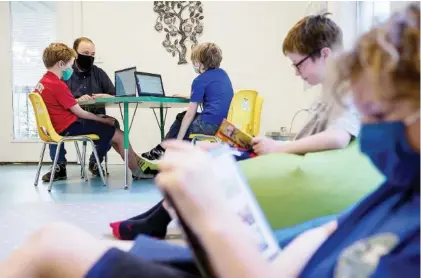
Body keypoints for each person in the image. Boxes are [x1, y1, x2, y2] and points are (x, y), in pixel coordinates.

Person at [0, 3, 419, 277]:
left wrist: (213, 218)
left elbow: (190, 112)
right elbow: (327, 232)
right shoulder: (398, 192)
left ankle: (155, 201)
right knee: (53, 239)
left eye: (380, 115)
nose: (371, 131)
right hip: (264, 262)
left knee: (51, 243)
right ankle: (156, 209)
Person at [110, 12, 360, 241]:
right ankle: (155, 218)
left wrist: (280, 147)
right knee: (208, 155)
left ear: (324, 53)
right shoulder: (329, 89)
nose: (296, 72)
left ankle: (155, 221)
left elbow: (338, 137)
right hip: (289, 157)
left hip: (293, 162)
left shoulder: (346, 89)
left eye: (298, 64)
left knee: (209, 160)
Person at [35, 42, 153, 181]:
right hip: (69, 126)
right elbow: (80, 113)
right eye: (69, 65)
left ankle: (102, 161)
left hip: (58, 126)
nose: (70, 69)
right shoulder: (58, 84)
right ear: (61, 64)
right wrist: (103, 120)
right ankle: (137, 171)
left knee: (111, 128)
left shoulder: (43, 82)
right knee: (120, 135)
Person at [140, 42, 234, 163]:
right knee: (181, 117)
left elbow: (190, 114)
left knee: (183, 121)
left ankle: (165, 150)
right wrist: (190, 96)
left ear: (199, 62)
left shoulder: (199, 80)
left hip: (209, 125)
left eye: (194, 61)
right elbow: (213, 95)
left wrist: (178, 140)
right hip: (224, 124)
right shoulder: (223, 74)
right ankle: (162, 149)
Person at [42, 37, 118, 182]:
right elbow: (60, 102)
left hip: (93, 115)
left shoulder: (99, 73)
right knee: (56, 123)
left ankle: (95, 161)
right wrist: (77, 101)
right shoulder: (64, 74)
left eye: (92, 54)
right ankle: (59, 166)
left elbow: (114, 95)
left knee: (113, 124)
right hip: (72, 117)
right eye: (85, 53)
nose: (90, 57)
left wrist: (104, 95)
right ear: (75, 54)